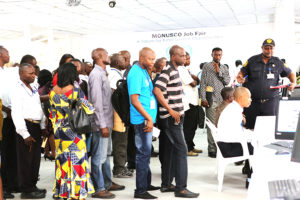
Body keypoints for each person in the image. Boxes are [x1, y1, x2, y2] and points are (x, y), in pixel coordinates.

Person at [153, 45, 199, 198]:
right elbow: (157, 90)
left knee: (171, 152)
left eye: (185, 55)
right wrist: (171, 110)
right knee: (182, 150)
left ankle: (166, 184)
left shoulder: (175, 70)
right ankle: (181, 188)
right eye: (181, 55)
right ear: (173, 56)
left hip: (176, 116)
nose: (184, 57)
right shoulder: (168, 70)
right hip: (171, 118)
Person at [49, 63, 95, 199]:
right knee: (77, 162)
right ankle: (76, 193)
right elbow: (89, 109)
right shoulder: (76, 90)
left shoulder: (53, 91)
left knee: (63, 161)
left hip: (59, 132)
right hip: (74, 132)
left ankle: (63, 192)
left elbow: (51, 113)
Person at [237, 38, 296, 129]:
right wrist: (240, 77)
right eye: (266, 48)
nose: (269, 51)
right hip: (252, 103)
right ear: (262, 48)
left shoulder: (278, 62)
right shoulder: (252, 60)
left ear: (274, 49)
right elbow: (241, 72)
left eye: (271, 48)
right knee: (250, 128)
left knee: (269, 128)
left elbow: (290, 73)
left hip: (270, 103)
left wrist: (293, 82)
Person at [89, 48, 124, 199]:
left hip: (107, 121)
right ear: (98, 57)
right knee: (99, 157)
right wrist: (102, 125)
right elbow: (96, 102)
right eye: (106, 54)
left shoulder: (102, 73)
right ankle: (99, 188)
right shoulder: (96, 75)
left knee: (106, 155)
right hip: (101, 123)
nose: (109, 56)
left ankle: (107, 183)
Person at [127, 47, 160, 200]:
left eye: (154, 59)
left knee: (146, 154)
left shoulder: (144, 71)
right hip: (142, 121)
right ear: (141, 58)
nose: (152, 62)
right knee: (142, 155)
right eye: (150, 59)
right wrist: (149, 117)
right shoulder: (135, 73)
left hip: (147, 119)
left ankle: (146, 184)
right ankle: (140, 191)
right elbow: (134, 101)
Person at [11, 63, 47, 199]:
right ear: (21, 74)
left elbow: (39, 107)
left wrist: (43, 126)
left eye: (34, 73)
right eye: (30, 73)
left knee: (35, 159)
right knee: (26, 160)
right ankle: (26, 190)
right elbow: (16, 113)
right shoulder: (17, 90)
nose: (34, 75)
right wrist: (24, 133)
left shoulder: (33, 88)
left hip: (36, 126)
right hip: (26, 127)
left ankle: (32, 185)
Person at [217, 87, 254, 185]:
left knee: (254, 143)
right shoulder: (234, 111)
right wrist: (253, 134)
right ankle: (251, 180)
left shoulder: (233, 108)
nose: (251, 100)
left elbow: (237, 131)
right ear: (241, 98)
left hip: (226, 143)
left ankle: (250, 173)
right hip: (228, 147)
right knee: (258, 148)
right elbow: (239, 135)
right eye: (249, 97)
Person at [199, 47, 230, 158]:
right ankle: (212, 149)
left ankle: (221, 148)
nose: (217, 57)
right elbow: (203, 83)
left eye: (219, 55)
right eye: (215, 54)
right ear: (212, 54)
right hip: (211, 99)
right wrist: (203, 98)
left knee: (221, 125)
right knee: (212, 126)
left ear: (222, 55)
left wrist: (219, 72)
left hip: (222, 100)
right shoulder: (207, 66)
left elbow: (227, 81)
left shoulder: (224, 68)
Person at [108, 53, 133, 178]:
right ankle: (119, 169)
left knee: (123, 140)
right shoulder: (113, 75)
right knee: (120, 141)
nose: (126, 62)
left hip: (121, 113)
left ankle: (122, 166)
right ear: (118, 63)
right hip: (118, 113)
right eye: (123, 60)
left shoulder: (117, 74)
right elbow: (114, 94)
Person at [0, 46, 19, 199]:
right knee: (4, 153)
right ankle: (4, 186)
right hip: (3, 116)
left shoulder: (6, 71)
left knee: (11, 152)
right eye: (7, 53)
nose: (9, 55)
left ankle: (11, 183)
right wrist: (7, 109)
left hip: (11, 115)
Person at [178, 52, 201, 157]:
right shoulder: (181, 70)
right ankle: (187, 148)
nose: (188, 60)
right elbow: (193, 83)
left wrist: (193, 77)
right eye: (186, 58)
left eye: (189, 58)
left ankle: (191, 146)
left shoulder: (187, 70)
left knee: (193, 126)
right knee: (188, 127)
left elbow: (198, 81)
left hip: (193, 101)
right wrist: (193, 78)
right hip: (188, 102)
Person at [37, 69, 55, 161]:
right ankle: (54, 153)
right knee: (51, 133)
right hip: (49, 112)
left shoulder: (39, 89)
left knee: (45, 134)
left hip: (41, 113)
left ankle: (46, 152)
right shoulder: (48, 88)